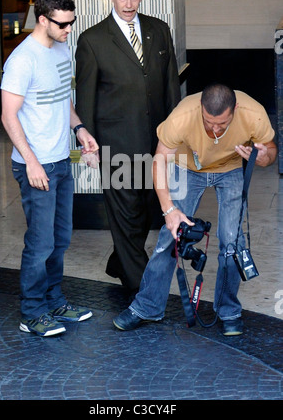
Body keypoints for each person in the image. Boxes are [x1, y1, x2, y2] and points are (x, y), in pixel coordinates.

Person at [113, 83, 277, 336]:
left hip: (231, 168)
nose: (214, 129)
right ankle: (147, 307)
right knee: (170, 238)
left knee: (232, 243)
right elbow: (159, 159)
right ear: (201, 109)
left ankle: (229, 310)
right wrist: (169, 211)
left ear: (235, 111)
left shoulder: (253, 113)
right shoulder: (182, 116)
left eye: (222, 124)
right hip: (188, 166)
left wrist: (262, 156)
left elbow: (270, 153)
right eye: (209, 122)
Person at [75, 0, 181, 296]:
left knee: (146, 209)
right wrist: (88, 147)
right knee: (125, 213)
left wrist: (176, 137)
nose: (129, 4)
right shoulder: (92, 40)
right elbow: (86, 98)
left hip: (156, 144)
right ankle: (142, 290)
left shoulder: (158, 31)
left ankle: (119, 261)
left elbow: (171, 89)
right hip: (116, 145)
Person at [1, 0, 99, 337]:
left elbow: (63, 101)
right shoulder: (22, 60)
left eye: (72, 23)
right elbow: (8, 117)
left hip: (60, 161)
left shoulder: (62, 50)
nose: (69, 30)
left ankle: (55, 301)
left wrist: (80, 130)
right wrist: (31, 162)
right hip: (36, 166)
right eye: (63, 24)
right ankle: (32, 312)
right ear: (42, 19)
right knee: (40, 243)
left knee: (60, 239)